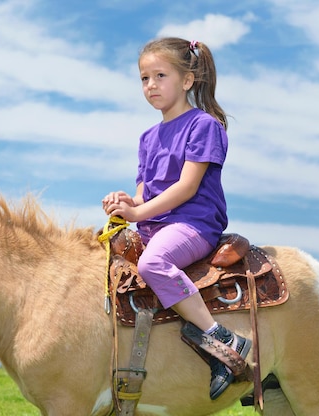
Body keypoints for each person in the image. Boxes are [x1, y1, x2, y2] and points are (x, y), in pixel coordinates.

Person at [102, 37, 251, 400]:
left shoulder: (203, 126)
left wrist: (137, 212)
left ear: (187, 80)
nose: (150, 85)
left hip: (193, 223)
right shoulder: (147, 137)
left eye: (160, 75)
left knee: (154, 263)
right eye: (144, 78)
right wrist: (126, 201)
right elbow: (144, 194)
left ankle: (222, 338)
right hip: (156, 225)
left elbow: (185, 188)